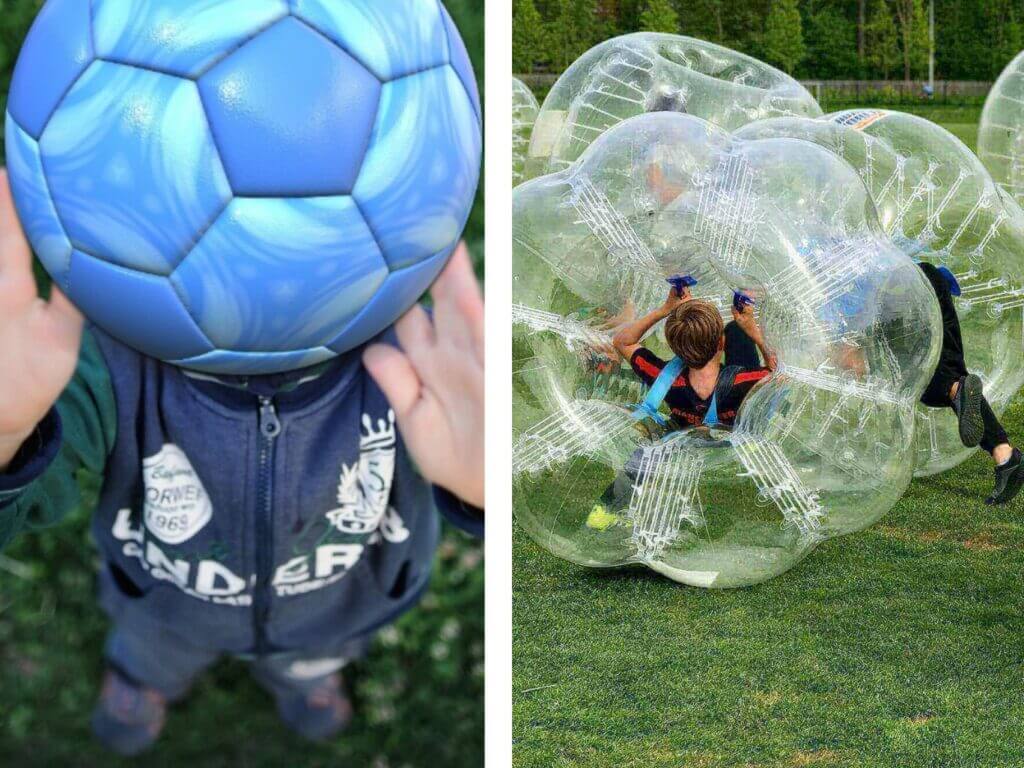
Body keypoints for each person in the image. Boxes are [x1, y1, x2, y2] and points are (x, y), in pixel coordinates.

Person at [0, 172, 484, 755]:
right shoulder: (111, 363)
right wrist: (7, 434)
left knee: (308, 659)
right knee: (152, 652)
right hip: (163, 606)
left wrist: (483, 490)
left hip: (334, 611)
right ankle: (143, 681)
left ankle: (304, 680)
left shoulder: (411, 371)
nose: (265, 279)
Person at [915, 261, 1024, 504]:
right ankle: (1006, 457)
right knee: (943, 380)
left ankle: (1006, 457)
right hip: (924, 281)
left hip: (910, 289)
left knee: (933, 380)